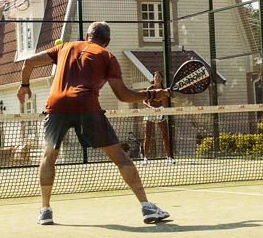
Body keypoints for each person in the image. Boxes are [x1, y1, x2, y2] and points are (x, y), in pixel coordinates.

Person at [17, 21, 172, 225]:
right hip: (87, 105)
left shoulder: (65, 47)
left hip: (56, 105)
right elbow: (123, 95)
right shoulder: (108, 56)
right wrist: (151, 94)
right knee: (120, 158)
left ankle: (45, 210)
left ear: (87, 36)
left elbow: (28, 62)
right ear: (107, 41)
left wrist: (24, 85)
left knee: (49, 156)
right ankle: (146, 207)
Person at [141, 70, 173, 165]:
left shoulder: (164, 90)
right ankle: (145, 158)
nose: (157, 78)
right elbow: (144, 101)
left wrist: (163, 111)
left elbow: (166, 103)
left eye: (159, 76)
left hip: (160, 113)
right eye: (155, 77)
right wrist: (150, 108)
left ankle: (169, 158)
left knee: (165, 135)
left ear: (162, 79)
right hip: (150, 112)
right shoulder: (150, 88)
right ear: (153, 79)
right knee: (148, 136)